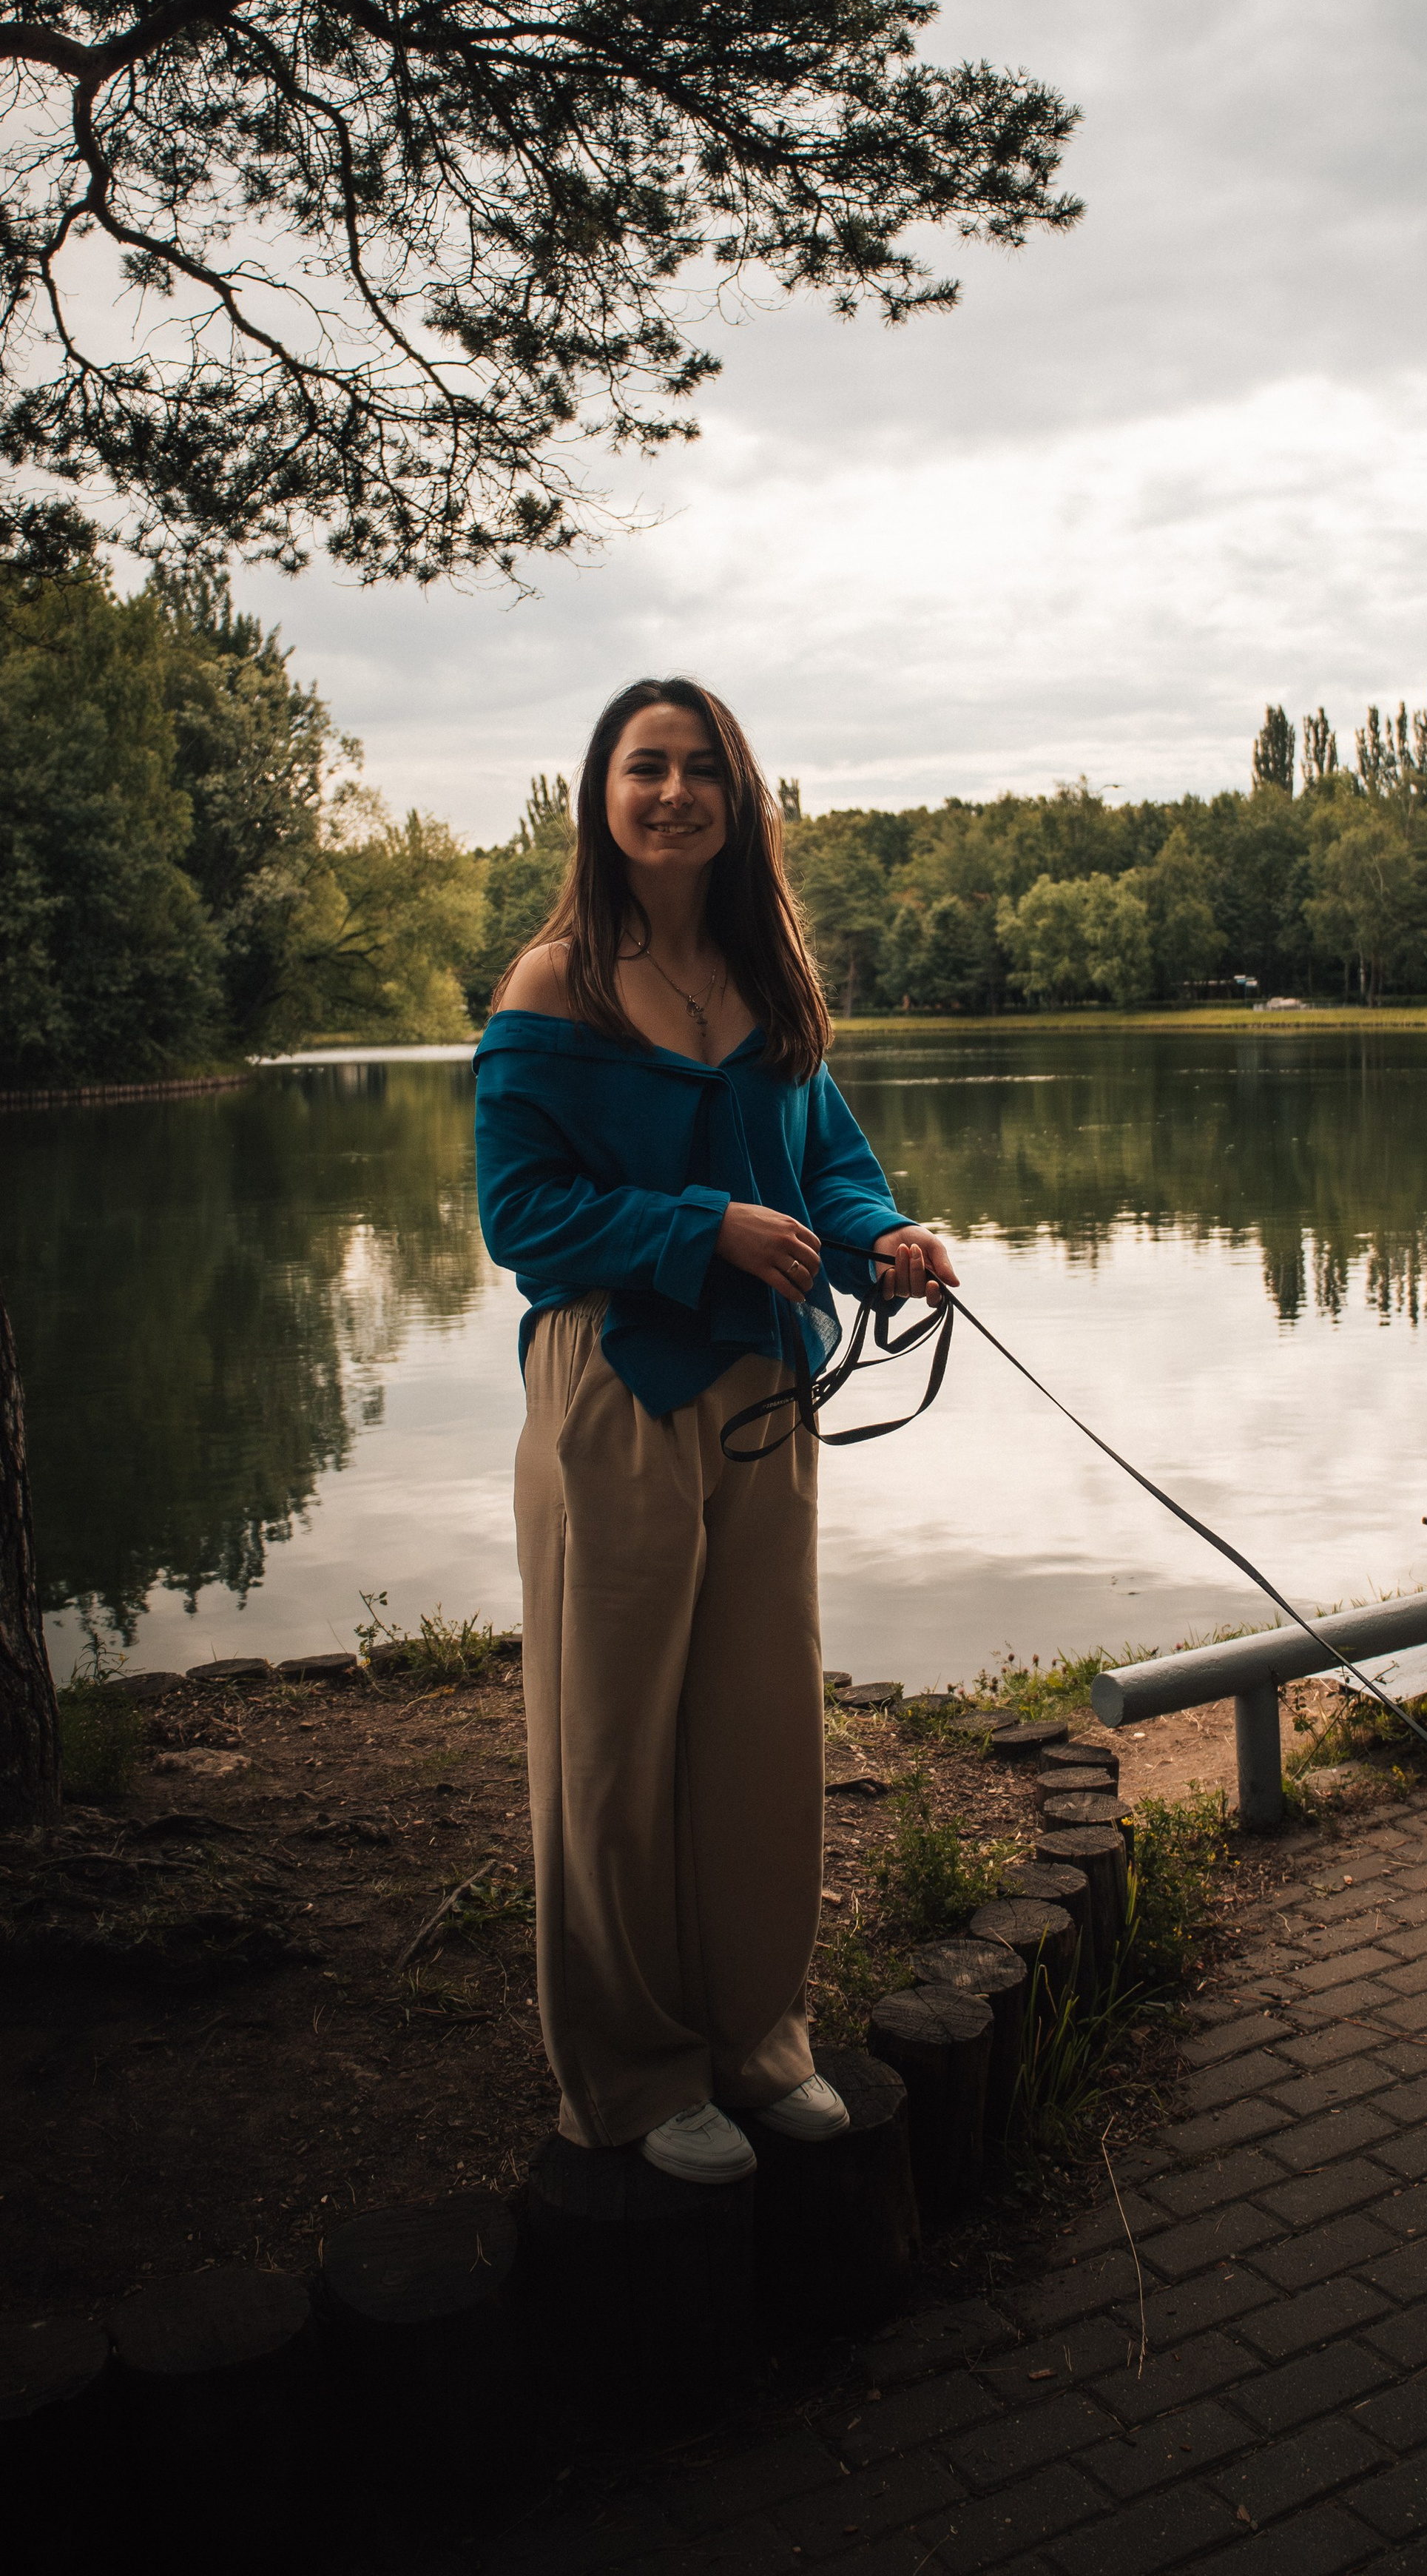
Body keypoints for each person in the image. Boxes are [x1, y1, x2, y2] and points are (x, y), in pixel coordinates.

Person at [474, 677, 957, 2182]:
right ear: (600, 796)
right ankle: (627, 2074)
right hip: (611, 1388)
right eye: (644, 767)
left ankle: (754, 2040)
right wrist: (703, 1230)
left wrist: (881, 1241)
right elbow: (519, 1215)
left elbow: (833, 1165)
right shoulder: (552, 986)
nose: (673, 792)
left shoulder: (771, 978)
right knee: (612, 1743)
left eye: (700, 771)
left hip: (764, 1397)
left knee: (759, 1729)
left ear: (739, 803)